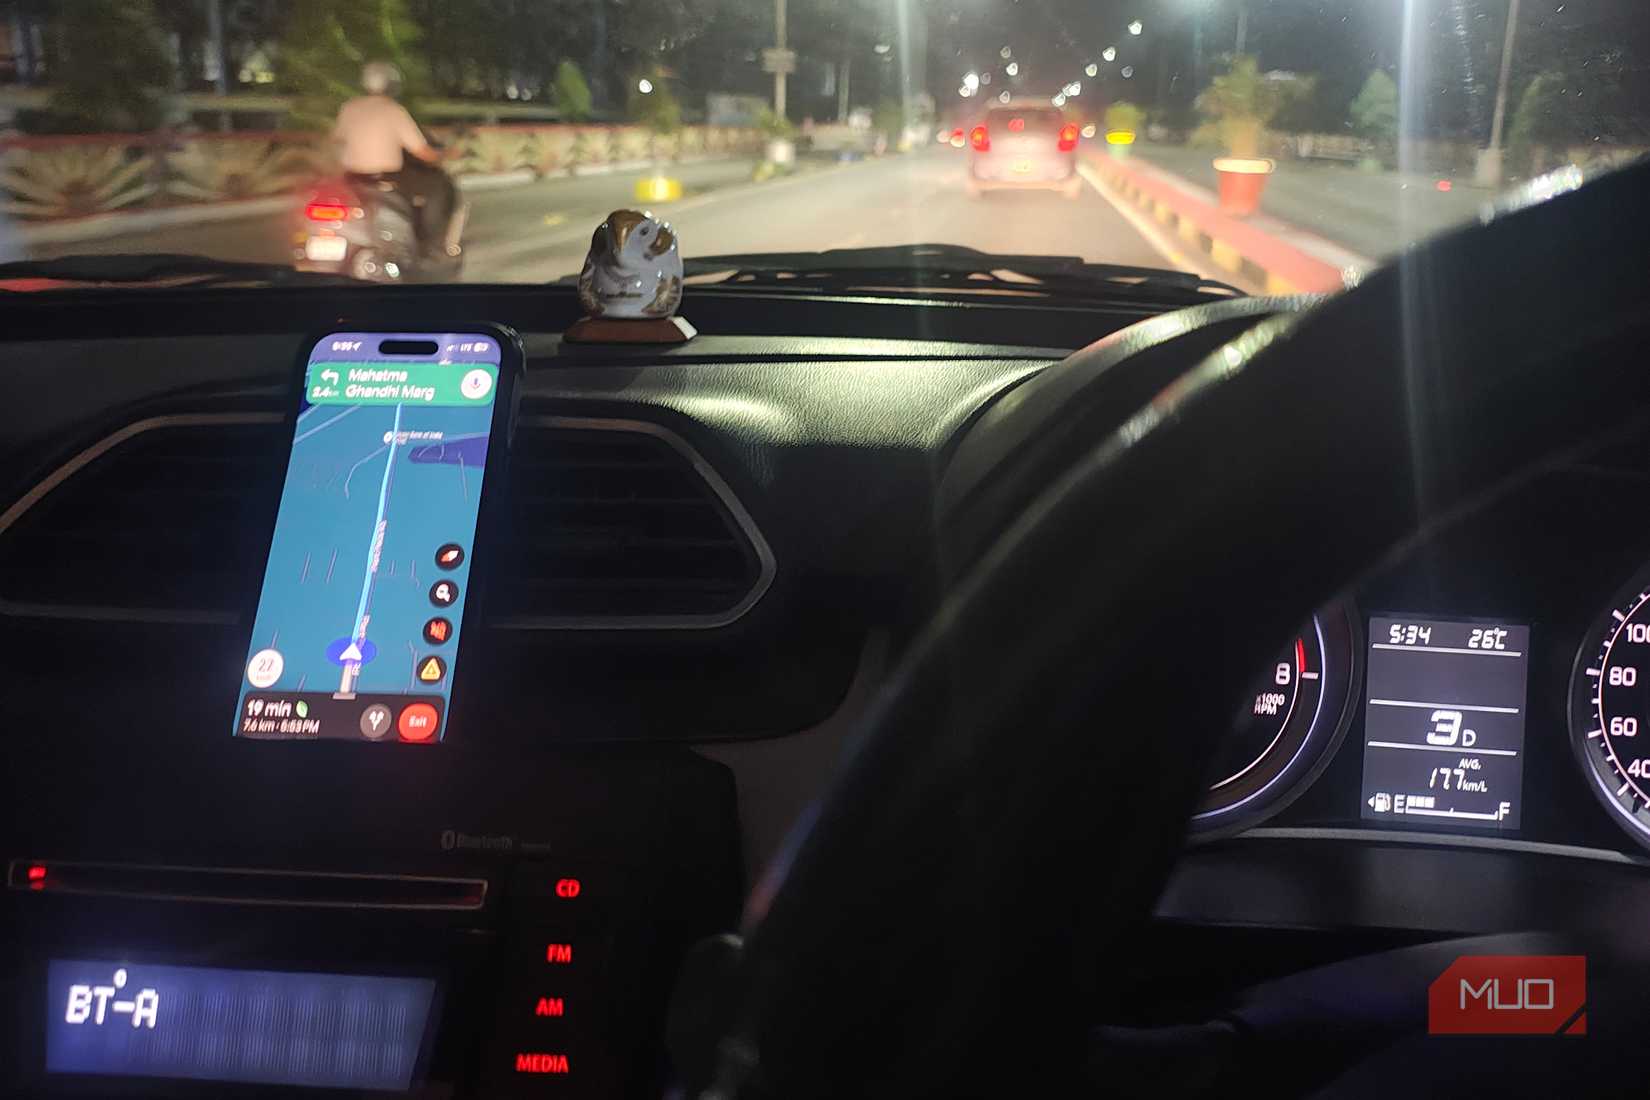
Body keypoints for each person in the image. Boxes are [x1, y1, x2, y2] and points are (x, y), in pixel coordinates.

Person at [332, 62, 456, 257]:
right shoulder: (394, 110)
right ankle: (430, 246)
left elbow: (337, 139)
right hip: (385, 179)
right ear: (393, 86)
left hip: (352, 178)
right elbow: (422, 152)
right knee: (436, 189)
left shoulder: (349, 108)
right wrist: (445, 155)